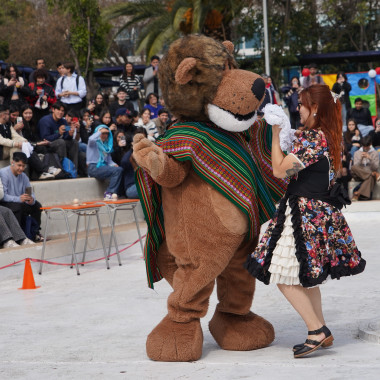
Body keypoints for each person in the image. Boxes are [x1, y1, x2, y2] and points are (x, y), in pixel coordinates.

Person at [245, 84, 366, 358]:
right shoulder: (329, 136)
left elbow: (278, 170)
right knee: (307, 278)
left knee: (283, 274)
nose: (297, 108)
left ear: (314, 108)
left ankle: (316, 331)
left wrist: (276, 135)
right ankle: (323, 328)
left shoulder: (312, 139)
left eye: (301, 104)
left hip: (302, 214)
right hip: (314, 212)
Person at [0, 152, 44, 242]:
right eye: (19, 165)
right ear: (12, 162)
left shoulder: (24, 177)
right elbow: (3, 196)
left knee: (37, 206)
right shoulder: (3, 173)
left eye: (23, 166)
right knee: (18, 207)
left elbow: (30, 193)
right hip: (6, 202)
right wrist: (18, 199)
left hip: (20, 202)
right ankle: (18, 237)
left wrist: (31, 200)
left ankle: (35, 232)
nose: (21, 168)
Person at [38, 102, 79, 169]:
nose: (60, 112)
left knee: (74, 142)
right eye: (58, 110)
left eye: (62, 111)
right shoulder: (45, 120)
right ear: (53, 110)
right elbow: (45, 138)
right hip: (46, 144)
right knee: (61, 142)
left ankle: (74, 169)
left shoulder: (63, 121)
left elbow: (66, 137)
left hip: (59, 141)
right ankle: (63, 169)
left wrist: (70, 134)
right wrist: (59, 134)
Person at [86, 125, 123, 200]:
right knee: (117, 171)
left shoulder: (106, 146)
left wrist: (114, 164)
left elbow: (109, 160)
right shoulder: (93, 142)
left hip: (103, 167)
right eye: (103, 133)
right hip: (94, 167)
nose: (105, 135)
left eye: (106, 133)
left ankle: (116, 193)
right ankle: (109, 193)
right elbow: (90, 139)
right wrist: (100, 131)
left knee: (119, 169)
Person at [351, 135, 380, 201]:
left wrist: (370, 158)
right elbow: (355, 167)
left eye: (367, 146)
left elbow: (376, 167)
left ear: (370, 144)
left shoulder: (375, 153)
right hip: (359, 174)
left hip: (370, 175)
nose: (365, 148)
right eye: (364, 146)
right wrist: (361, 159)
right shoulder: (357, 153)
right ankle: (374, 174)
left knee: (371, 177)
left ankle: (358, 193)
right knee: (353, 167)